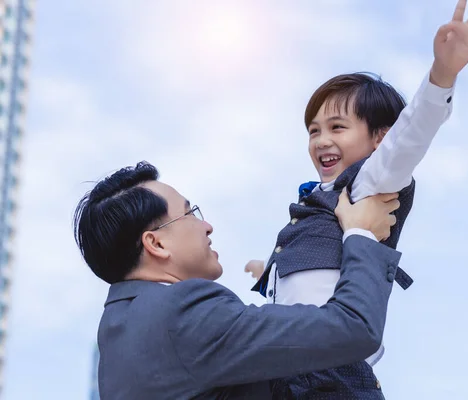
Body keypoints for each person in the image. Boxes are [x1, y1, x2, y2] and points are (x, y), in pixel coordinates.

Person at [245, 0, 468, 397]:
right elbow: (314, 272)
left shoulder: (370, 181)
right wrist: (268, 269)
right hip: (290, 365)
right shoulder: (319, 198)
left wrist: (443, 74)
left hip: (332, 370)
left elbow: (412, 134)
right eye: (313, 131)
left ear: (379, 139)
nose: (322, 140)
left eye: (337, 127)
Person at [73, 161, 404, 399]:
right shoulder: (181, 313)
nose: (207, 226)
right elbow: (354, 329)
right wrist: (360, 234)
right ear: (156, 243)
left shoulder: (117, 333)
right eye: (191, 213)